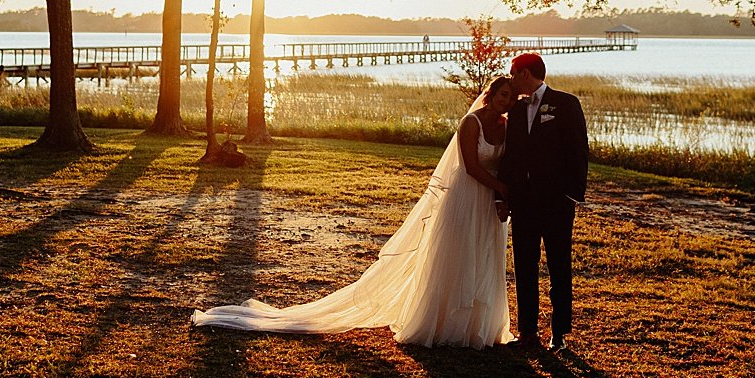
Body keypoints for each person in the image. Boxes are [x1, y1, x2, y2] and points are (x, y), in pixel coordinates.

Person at [190, 76, 518, 349]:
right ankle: (444, 324)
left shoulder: (507, 126)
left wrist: (503, 195)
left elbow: (507, 163)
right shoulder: (470, 123)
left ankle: (479, 326)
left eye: (511, 96)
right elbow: (471, 166)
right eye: (503, 94)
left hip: (488, 201)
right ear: (491, 95)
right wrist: (502, 188)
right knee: (456, 257)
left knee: (484, 257)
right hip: (464, 197)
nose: (507, 100)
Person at [498, 53, 588, 353]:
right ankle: (527, 332)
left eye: (512, 73)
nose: (510, 78)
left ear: (525, 73)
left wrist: (571, 195)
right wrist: (504, 195)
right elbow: (510, 154)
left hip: (557, 203)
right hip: (523, 201)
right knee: (524, 265)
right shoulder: (517, 107)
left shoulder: (565, 103)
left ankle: (559, 333)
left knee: (559, 266)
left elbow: (578, 151)